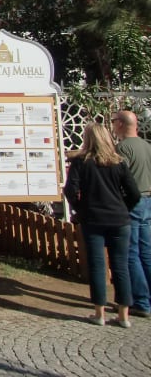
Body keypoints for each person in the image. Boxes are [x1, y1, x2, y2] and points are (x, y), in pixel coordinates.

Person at [64, 122, 141, 327]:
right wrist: (124, 208)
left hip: (94, 219)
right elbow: (134, 193)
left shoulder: (81, 162)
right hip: (119, 220)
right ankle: (124, 315)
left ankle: (99, 313)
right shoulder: (119, 162)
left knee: (98, 266)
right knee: (120, 266)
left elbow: (70, 190)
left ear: (88, 139)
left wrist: (80, 209)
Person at [112, 109, 151, 319]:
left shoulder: (123, 148)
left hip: (132, 203)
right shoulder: (146, 146)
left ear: (120, 124)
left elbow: (120, 179)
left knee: (131, 253)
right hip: (148, 200)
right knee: (146, 251)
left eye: (114, 121)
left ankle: (140, 301)